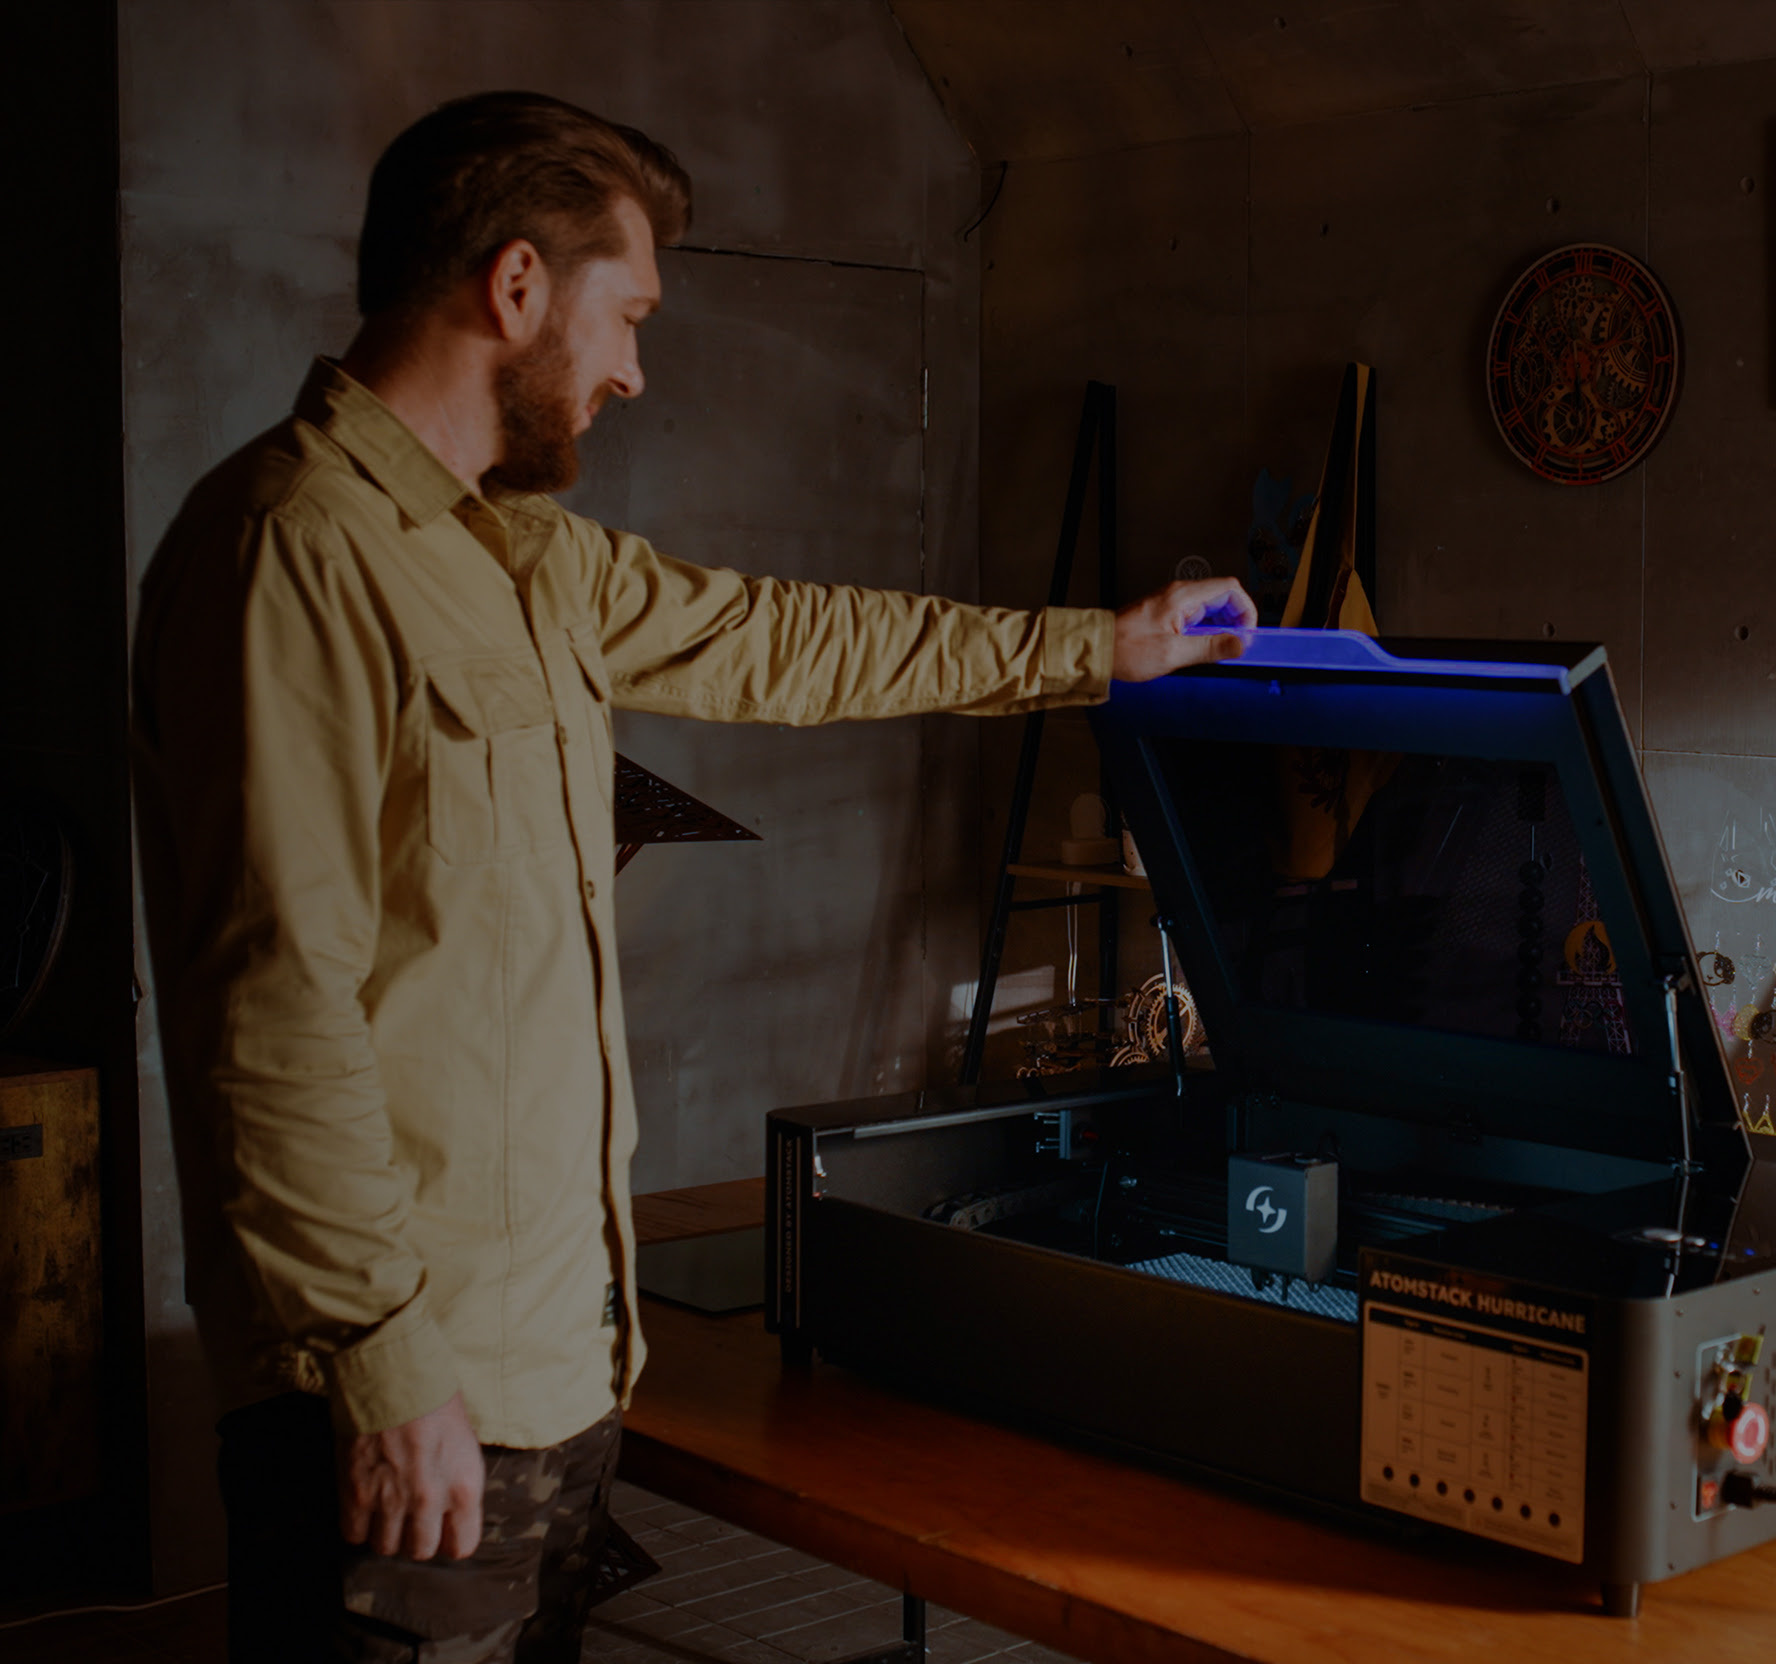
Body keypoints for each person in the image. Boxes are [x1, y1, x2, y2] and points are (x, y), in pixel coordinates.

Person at [130, 90, 1251, 1663]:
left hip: (549, 1375)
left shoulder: (525, 557)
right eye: (628, 313)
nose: (633, 368)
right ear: (515, 288)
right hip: (401, 1403)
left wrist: (1103, 653)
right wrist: (388, 1376)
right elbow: (278, 1020)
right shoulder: (291, 555)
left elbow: (795, 638)